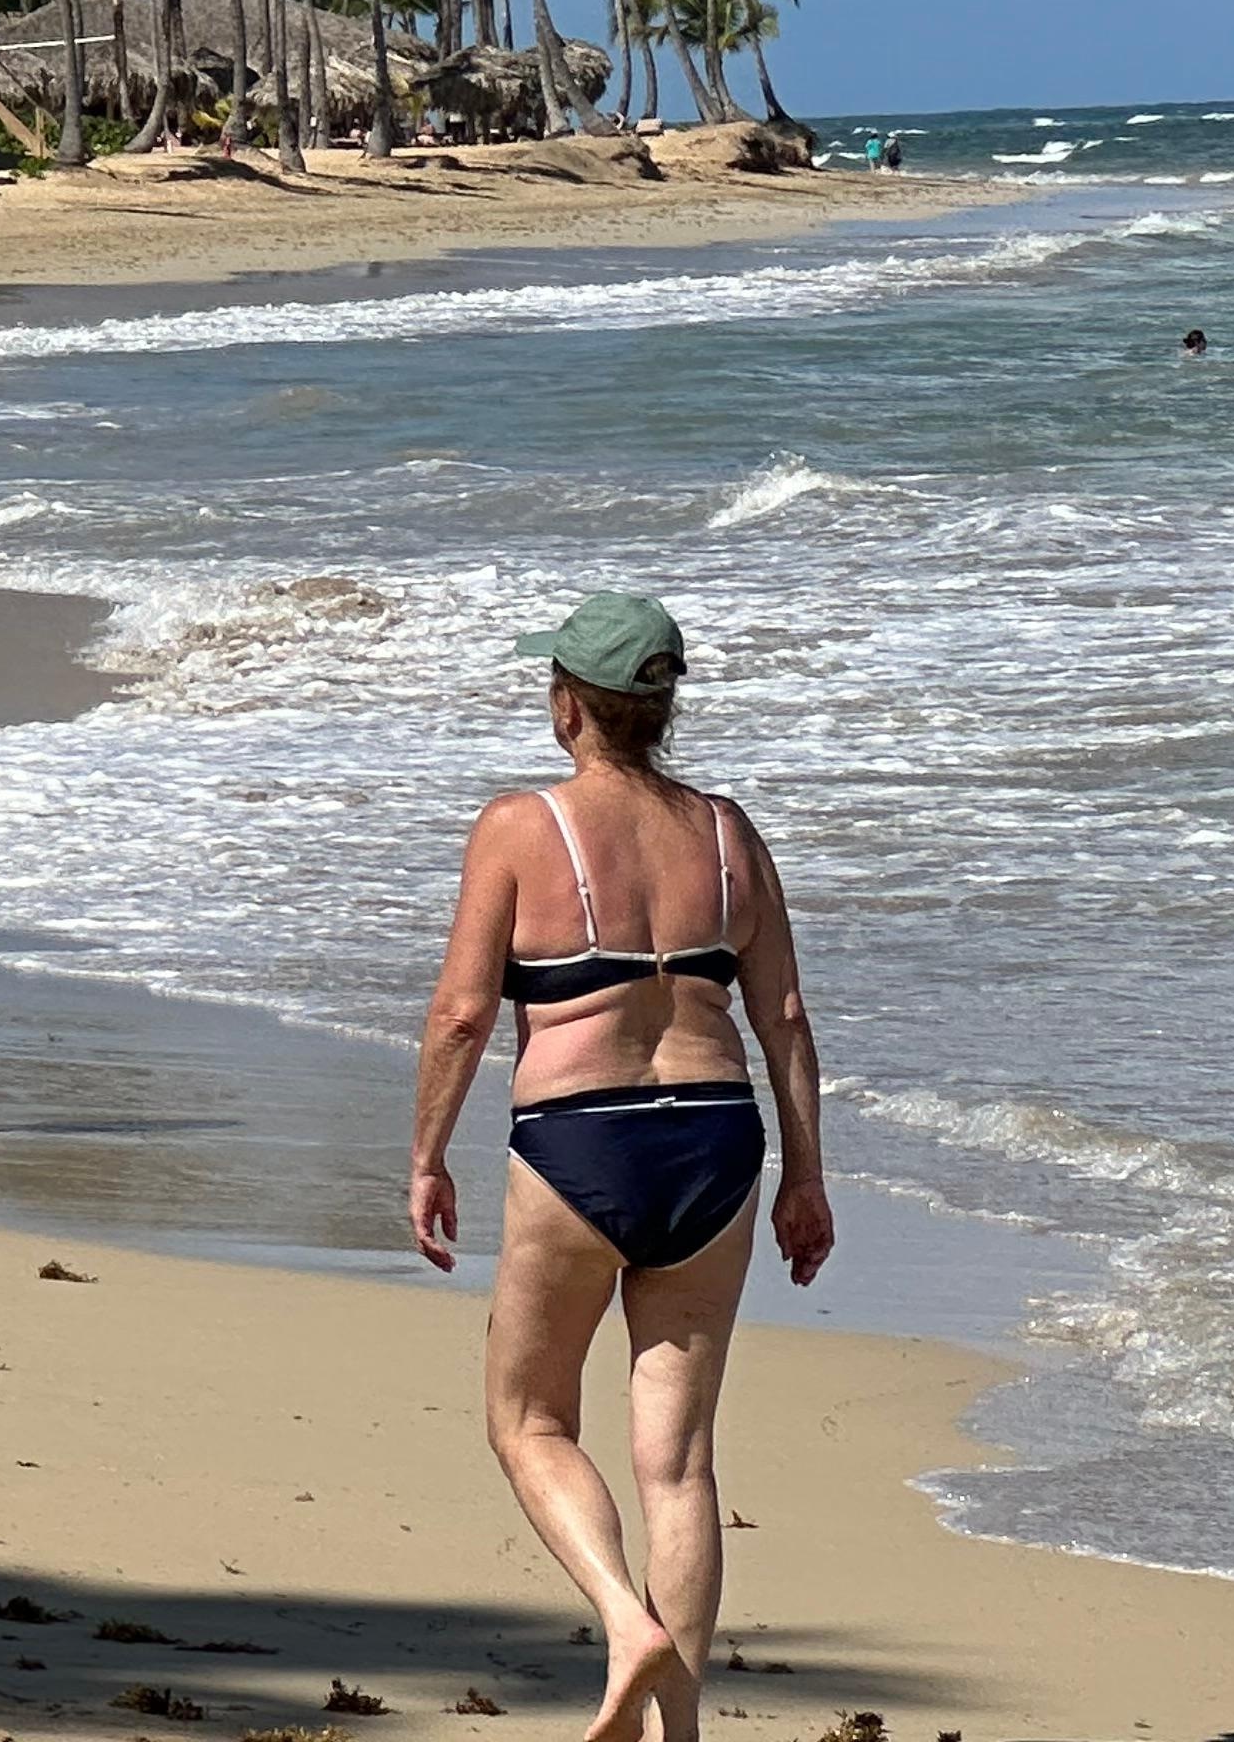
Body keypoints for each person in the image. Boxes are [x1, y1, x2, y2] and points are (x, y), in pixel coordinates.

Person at [408, 594, 830, 1742]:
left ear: (568, 708)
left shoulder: (518, 826)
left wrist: (427, 1156)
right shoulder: (731, 833)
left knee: (531, 1420)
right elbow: (783, 1015)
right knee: (680, 1462)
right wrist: (806, 1178)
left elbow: (458, 1017)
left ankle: (621, 1620)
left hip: (580, 1139)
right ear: (661, 706)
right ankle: (678, 1734)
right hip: (716, 1142)